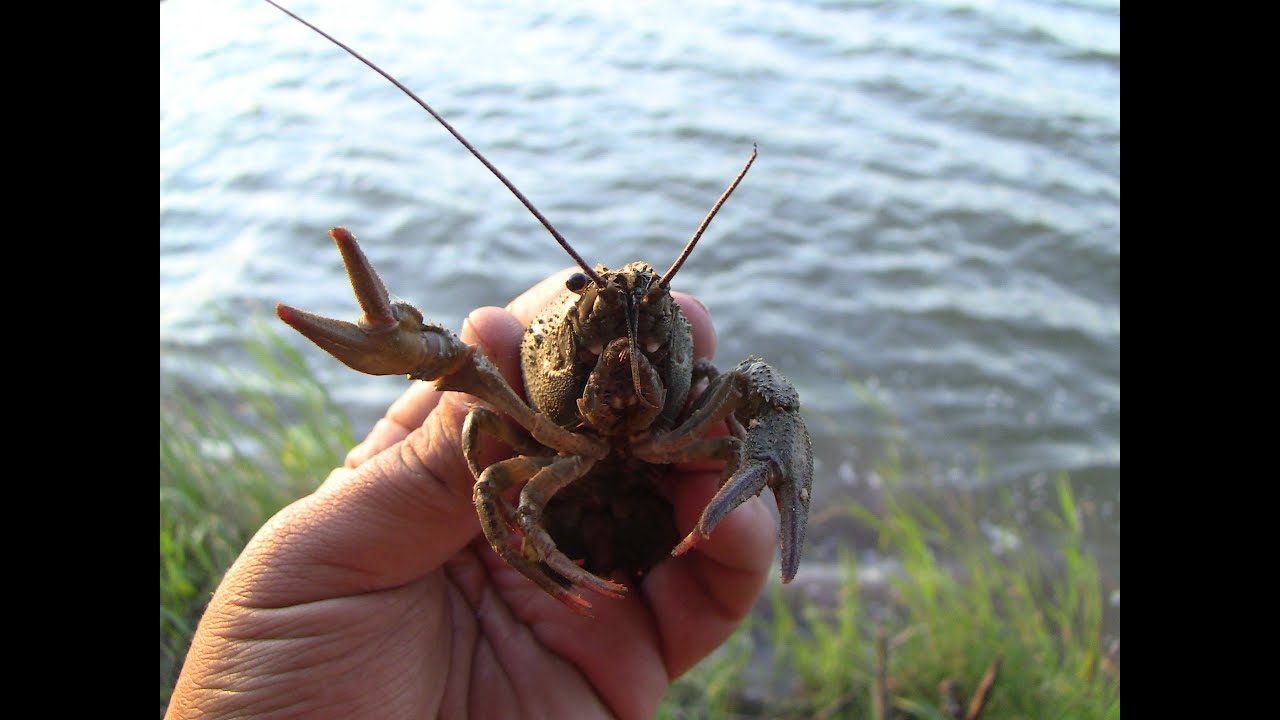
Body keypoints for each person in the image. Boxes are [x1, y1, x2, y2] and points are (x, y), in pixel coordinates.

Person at [165, 269, 778, 719]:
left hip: (643, 513)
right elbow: (482, 433)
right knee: (485, 457)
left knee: (748, 422)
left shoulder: (695, 382)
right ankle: (555, 571)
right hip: (562, 483)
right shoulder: (512, 403)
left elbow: (745, 400)